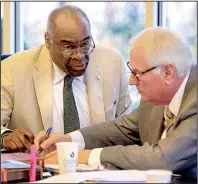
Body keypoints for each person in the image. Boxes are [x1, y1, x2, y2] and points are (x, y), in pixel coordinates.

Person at [35, 27, 197, 179]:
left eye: (137, 73)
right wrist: (68, 140)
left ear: (168, 72)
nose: (131, 81)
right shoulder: (156, 98)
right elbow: (121, 130)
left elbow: (162, 158)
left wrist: (87, 156)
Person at [1, 5, 132, 151]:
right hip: (43, 168)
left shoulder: (112, 63)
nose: (79, 55)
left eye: (85, 44)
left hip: (99, 166)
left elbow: (129, 129)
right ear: (48, 41)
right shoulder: (12, 69)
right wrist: (4, 136)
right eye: (68, 47)